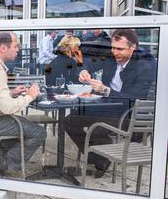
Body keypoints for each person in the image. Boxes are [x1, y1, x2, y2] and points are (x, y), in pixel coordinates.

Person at [65, 29, 157, 178]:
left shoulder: (146, 65)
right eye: (113, 48)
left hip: (130, 113)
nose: (115, 52)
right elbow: (85, 63)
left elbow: (134, 100)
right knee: (70, 120)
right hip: (108, 106)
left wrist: (106, 90)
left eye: (120, 49)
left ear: (133, 47)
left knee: (97, 128)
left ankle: (101, 160)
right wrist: (83, 72)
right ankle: (101, 160)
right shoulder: (111, 55)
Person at [0, 31, 47, 176]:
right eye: (15, 46)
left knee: (21, 125)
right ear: (3, 48)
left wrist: (11, 93)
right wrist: (30, 96)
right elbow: (8, 108)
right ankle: (4, 164)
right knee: (38, 132)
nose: (18, 49)